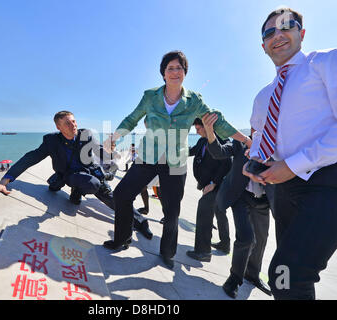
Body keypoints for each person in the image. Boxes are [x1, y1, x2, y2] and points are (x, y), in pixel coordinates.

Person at [102, 50, 252, 269]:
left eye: (179, 68)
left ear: (185, 72)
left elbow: (218, 123)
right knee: (122, 194)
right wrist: (114, 137)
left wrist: (246, 140)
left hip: (175, 162)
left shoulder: (194, 101)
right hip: (148, 157)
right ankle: (122, 238)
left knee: (171, 211)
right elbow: (132, 118)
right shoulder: (150, 96)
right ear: (163, 73)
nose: (175, 72)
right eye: (170, 68)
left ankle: (167, 252)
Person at [243, 7, 337, 300]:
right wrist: (254, 163)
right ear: (263, 46)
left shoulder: (326, 61)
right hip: (284, 190)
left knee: (287, 272)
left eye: (286, 27)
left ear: (301, 34)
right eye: (269, 32)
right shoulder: (263, 96)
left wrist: (293, 164)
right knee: (287, 277)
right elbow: (260, 139)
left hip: (331, 182)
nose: (277, 35)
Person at [0, 110, 153, 240]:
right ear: (58, 127)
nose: (72, 125)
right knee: (92, 184)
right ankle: (77, 189)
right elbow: (30, 158)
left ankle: (140, 222)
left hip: (89, 173)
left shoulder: (86, 134)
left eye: (74, 121)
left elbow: (100, 152)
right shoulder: (51, 141)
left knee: (110, 196)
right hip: (69, 175)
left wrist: (113, 156)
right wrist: (4, 181)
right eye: (67, 123)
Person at [203, 114, 273, 298]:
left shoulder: (276, 146)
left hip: (264, 200)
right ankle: (234, 279)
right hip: (241, 196)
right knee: (246, 238)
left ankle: (253, 274)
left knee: (261, 239)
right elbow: (218, 152)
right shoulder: (240, 142)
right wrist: (210, 131)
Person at [185, 118, 232, 263]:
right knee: (219, 212)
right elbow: (192, 151)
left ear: (207, 127)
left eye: (199, 129)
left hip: (218, 185)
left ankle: (203, 251)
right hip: (207, 184)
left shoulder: (221, 139)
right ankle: (224, 244)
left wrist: (214, 183)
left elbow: (227, 163)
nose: (197, 132)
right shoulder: (202, 141)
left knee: (204, 211)